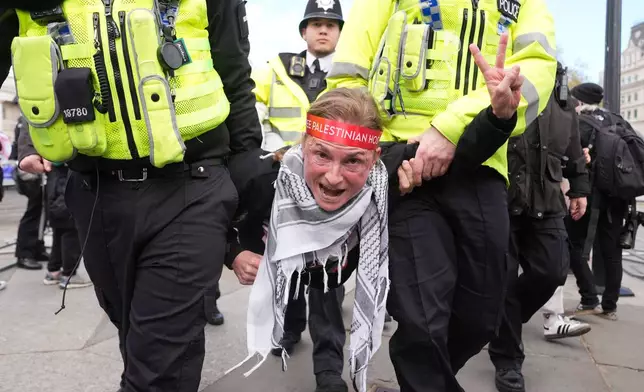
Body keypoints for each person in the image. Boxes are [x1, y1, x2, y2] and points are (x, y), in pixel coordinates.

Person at [1, 1, 262, 392]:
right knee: (135, 337)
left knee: (159, 368)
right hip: (94, 193)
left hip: (192, 184)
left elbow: (236, 80)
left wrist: (249, 211)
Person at [326, 1, 557, 390]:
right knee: (421, 322)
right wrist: (368, 158)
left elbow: (537, 68)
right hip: (404, 167)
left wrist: (451, 127)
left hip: (482, 161)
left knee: (482, 316)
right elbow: (348, 78)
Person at [245, 2, 352, 389]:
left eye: (331, 25)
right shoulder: (276, 65)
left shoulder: (352, 71)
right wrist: (277, 149)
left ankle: (328, 371)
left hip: (333, 187)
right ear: (303, 31)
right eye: (316, 24)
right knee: (288, 262)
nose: (323, 31)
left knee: (328, 277)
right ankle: (289, 328)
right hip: (284, 182)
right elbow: (252, 106)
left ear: (340, 32)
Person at [487, 62, 591, 392]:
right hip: (501, 194)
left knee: (552, 271)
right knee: (503, 278)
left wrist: (579, 187)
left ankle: (501, 319)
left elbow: (573, 145)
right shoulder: (503, 72)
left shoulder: (562, 96)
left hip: (545, 197)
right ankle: (507, 360)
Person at [567, 83, 631, 321]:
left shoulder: (579, 123)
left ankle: (589, 298)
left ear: (580, 102)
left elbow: (571, 157)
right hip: (618, 198)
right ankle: (610, 306)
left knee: (574, 244)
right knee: (613, 251)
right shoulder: (618, 121)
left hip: (589, 195)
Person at [42, 162, 93, 289]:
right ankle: (69, 275)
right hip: (66, 180)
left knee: (58, 232)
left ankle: (53, 271)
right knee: (72, 233)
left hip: (54, 181)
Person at [11, 116, 48, 270]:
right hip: (32, 174)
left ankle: (36, 247)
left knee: (41, 212)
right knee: (34, 212)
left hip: (33, 173)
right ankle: (25, 253)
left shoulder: (24, 118)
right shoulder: (27, 119)